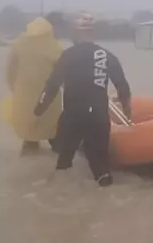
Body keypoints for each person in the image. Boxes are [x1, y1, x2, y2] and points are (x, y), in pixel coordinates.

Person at [34, 12, 131, 187]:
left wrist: (39, 109)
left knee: (64, 159)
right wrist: (128, 113)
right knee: (100, 162)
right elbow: (123, 88)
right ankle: (104, 189)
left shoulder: (68, 55)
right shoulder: (108, 56)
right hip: (99, 116)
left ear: (78, 33)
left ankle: (58, 195)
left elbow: (52, 86)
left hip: (73, 116)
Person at [6, 12, 64, 155]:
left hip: (24, 98)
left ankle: (25, 170)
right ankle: (61, 171)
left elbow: (10, 69)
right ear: (53, 26)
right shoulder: (55, 45)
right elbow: (64, 72)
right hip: (49, 99)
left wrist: (15, 88)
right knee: (56, 138)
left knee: (30, 137)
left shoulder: (20, 41)